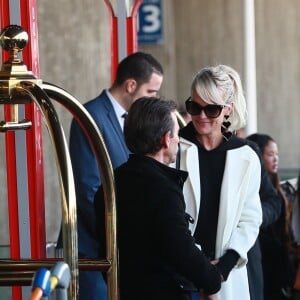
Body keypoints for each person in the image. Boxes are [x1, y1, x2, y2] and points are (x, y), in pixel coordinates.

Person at [94, 97, 222, 300]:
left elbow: (106, 252)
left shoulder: (110, 184)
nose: (179, 140)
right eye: (177, 134)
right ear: (166, 138)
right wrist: (212, 279)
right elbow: (180, 248)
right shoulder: (163, 188)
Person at [67, 52, 164, 299]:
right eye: (151, 92)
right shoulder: (89, 115)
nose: (154, 98)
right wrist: (118, 235)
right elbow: (88, 187)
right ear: (131, 85)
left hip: (123, 249)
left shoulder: (134, 120)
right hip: (95, 247)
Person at [176, 64, 262, 299]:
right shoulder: (174, 148)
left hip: (228, 273)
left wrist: (225, 265)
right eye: (194, 107)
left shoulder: (245, 156)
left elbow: (250, 218)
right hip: (180, 275)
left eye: (212, 109)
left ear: (227, 110)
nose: (202, 116)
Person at [247, 133, 297, 300]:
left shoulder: (278, 189)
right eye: (270, 155)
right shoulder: (253, 190)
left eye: (277, 155)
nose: (276, 159)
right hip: (263, 265)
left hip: (280, 268)